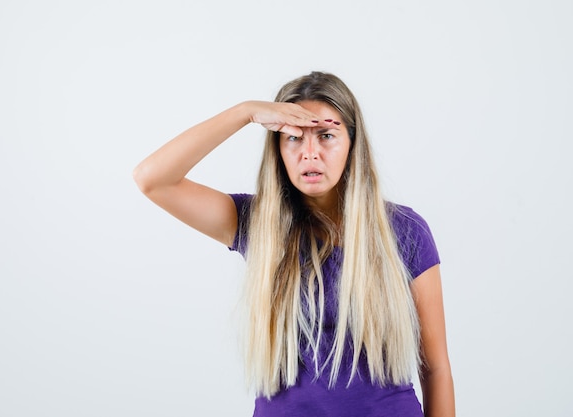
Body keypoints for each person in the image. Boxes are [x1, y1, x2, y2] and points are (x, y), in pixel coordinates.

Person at [133, 71, 455, 417]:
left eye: (327, 136)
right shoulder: (257, 224)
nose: (310, 153)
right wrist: (245, 112)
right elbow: (153, 179)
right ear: (278, 149)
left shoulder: (403, 231)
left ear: (352, 143)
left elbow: (434, 368)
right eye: (293, 138)